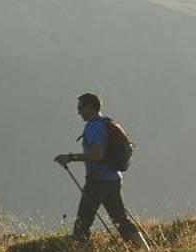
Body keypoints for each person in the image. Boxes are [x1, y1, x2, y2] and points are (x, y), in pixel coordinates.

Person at [56, 92, 143, 244]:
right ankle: (143, 250)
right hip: (114, 179)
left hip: (97, 182)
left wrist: (71, 157)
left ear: (90, 107)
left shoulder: (93, 127)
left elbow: (97, 155)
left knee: (82, 224)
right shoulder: (106, 123)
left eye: (81, 107)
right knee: (121, 220)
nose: (78, 111)